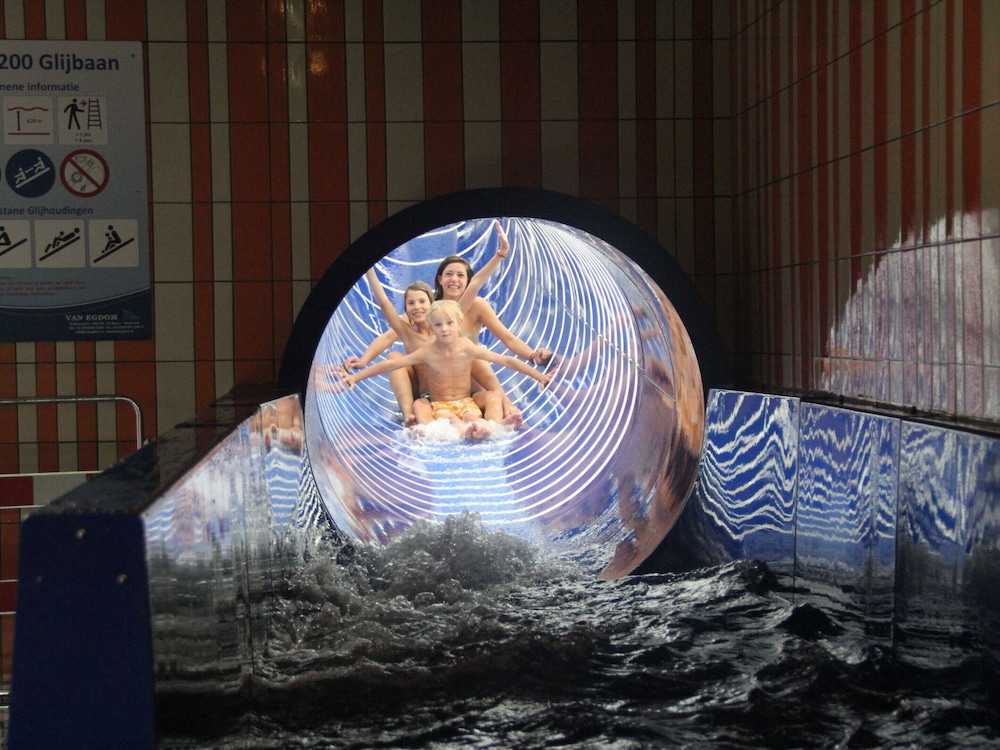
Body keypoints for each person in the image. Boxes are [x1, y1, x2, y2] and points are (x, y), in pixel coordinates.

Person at [340, 299, 554, 441]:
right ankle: (461, 431)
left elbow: (505, 360)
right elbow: (391, 365)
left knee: (489, 400)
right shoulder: (428, 352)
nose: (444, 329)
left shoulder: (467, 348)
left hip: (466, 402)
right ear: (431, 329)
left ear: (459, 324)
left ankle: (494, 426)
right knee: (431, 410)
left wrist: (539, 376)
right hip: (440, 405)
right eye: (438, 325)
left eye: (449, 323)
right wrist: (356, 377)